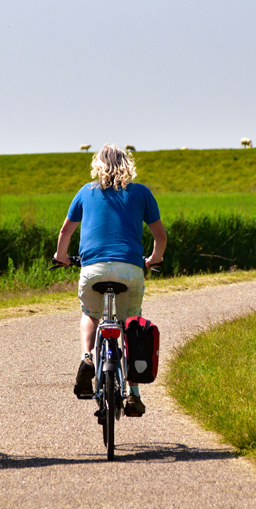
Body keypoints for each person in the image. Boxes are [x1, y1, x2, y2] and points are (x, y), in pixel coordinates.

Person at [54, 143, 166, 417]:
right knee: (131, 323)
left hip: (93, 270)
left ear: (97, 165)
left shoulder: (86, 191)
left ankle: (87, 358)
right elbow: (160, 237)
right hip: (130, 269)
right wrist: (153, 260)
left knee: (91, 314)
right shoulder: (141, 193)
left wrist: (61, 257)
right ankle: (134, 394)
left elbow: (65, 233)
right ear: (127, 165)